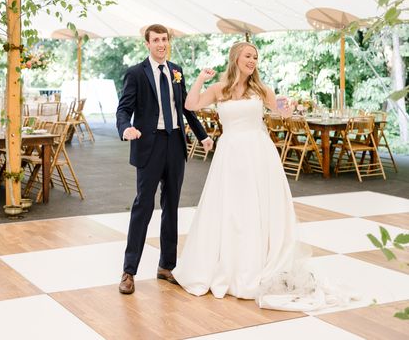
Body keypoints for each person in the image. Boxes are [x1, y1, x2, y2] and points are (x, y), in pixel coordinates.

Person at [174, 41, 346, 311]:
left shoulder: (262, 89)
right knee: (231, 210)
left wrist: (287, 108)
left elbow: (281, 110)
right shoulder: (220, 89)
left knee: (258, 209)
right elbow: (190, 104)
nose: (252, 60)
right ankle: (228, 266)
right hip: (230, 156)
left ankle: (258, 264)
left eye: (255, 56)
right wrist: (199, 78)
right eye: (248, 56)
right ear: (235, 58)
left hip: (258, 154)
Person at [116, 24, 213, 295]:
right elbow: (124, 109)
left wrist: (202, 135)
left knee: (171, 206)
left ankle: (166, 266)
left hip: (174, 143)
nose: (161, 44)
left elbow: (185, 108)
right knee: (143, 207)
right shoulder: (136, 73)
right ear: (147, 44)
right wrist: (125, 129)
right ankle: (129, 271)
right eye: (156, 40)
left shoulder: (177, 71)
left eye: (164, 39)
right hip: (148, 144)